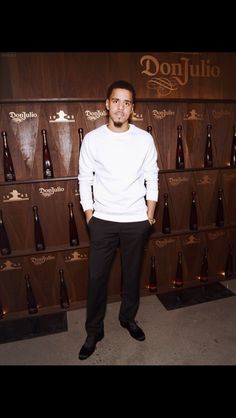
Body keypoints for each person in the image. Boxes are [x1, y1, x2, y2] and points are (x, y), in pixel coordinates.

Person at [78, 80, 159, 360]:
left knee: (132, 275)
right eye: (116, 101)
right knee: (96, 278)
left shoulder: (144, 139)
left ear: (132, 108)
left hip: (136, 221)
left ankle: (128, 318)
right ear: (107, 104)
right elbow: (84, 178)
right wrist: (90, 214)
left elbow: (152, 176)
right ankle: (93, 331)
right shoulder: (93, 139)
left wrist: (149, 214)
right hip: (103, 221)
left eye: (126, 102)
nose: (121, 107)